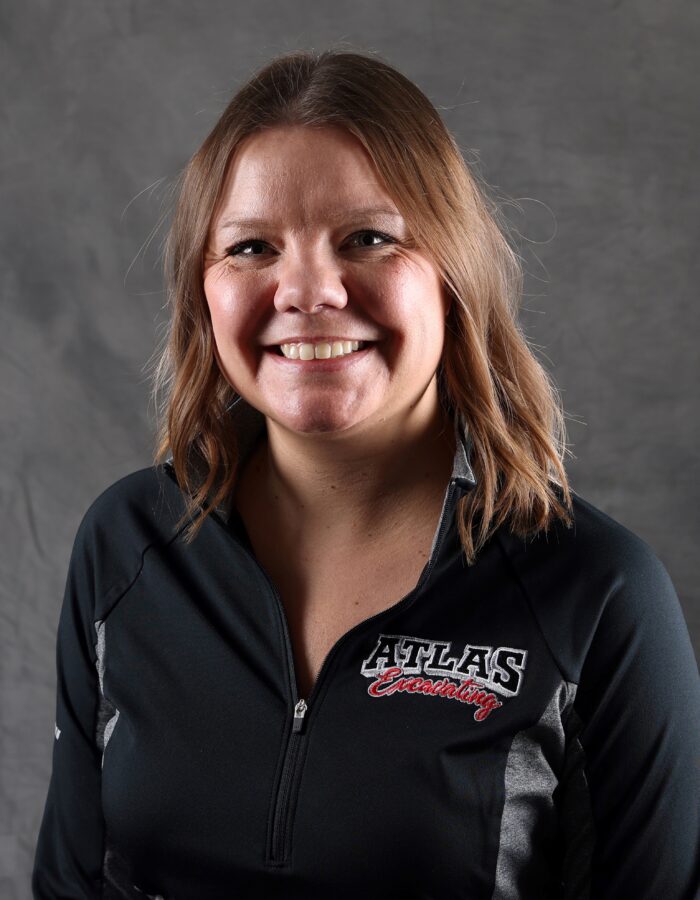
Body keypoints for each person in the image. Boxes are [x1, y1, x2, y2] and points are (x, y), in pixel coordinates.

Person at [32, 49, 699, 900]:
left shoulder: (595, 591)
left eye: (369, 239)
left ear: (453, 272)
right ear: (202, 291)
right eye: (251, 247)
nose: (307, 291)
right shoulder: (127, 546)